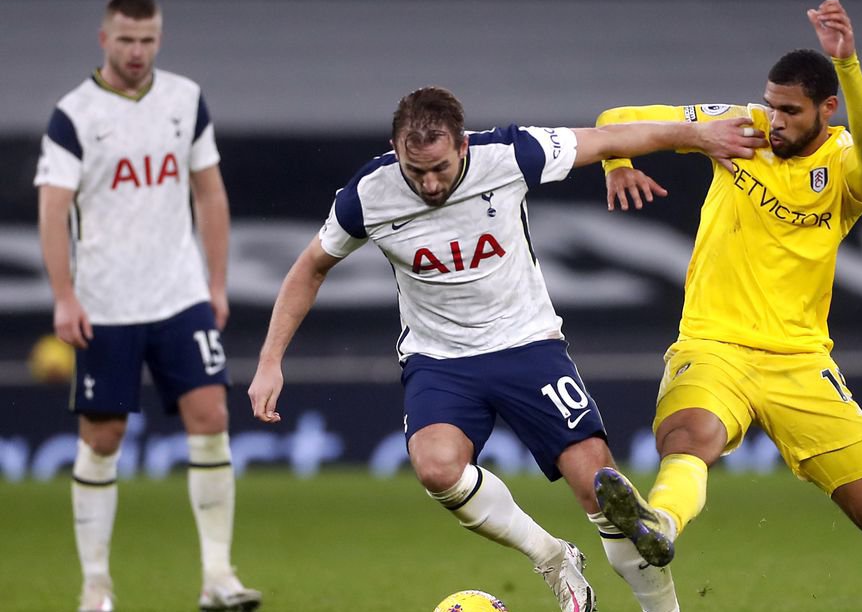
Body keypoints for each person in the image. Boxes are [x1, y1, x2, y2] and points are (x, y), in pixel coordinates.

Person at [246, 86, 764, 612]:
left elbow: (607, 136)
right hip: (439, 358)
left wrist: (696, 136)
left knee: (602, 489)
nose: (428, 183)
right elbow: (310, 266)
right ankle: (553, 557)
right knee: (436, 467)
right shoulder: (368, 194)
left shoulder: (510, 154)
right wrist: (270, 361)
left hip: (526, 346)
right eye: (414, 169)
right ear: (394, 148)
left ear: (463, 146)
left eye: (440, 169)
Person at [591, 0, 862, 612]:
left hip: (799, 362)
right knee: (686, 436)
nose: (772, 120)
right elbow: (617, 116)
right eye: (770, 104)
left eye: (789, 110)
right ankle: (660, 527)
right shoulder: (739, 127)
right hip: (713, 344)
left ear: (828, 109)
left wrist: (848, 64)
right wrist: (619, 158)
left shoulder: (845, 169)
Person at [34, 0, 261, 612]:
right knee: (103, 436)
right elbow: (53, 210)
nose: (138, 52)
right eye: (127, 40)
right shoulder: (74, 114)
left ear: (159, 39)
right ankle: (96, 587)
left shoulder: (184, 100)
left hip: (179, 295)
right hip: (105, 304)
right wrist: (64, 296)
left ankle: (218, 576)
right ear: (104, 40)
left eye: (148, 40)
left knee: (211, 417)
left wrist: (215, 284)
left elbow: (209, 195)